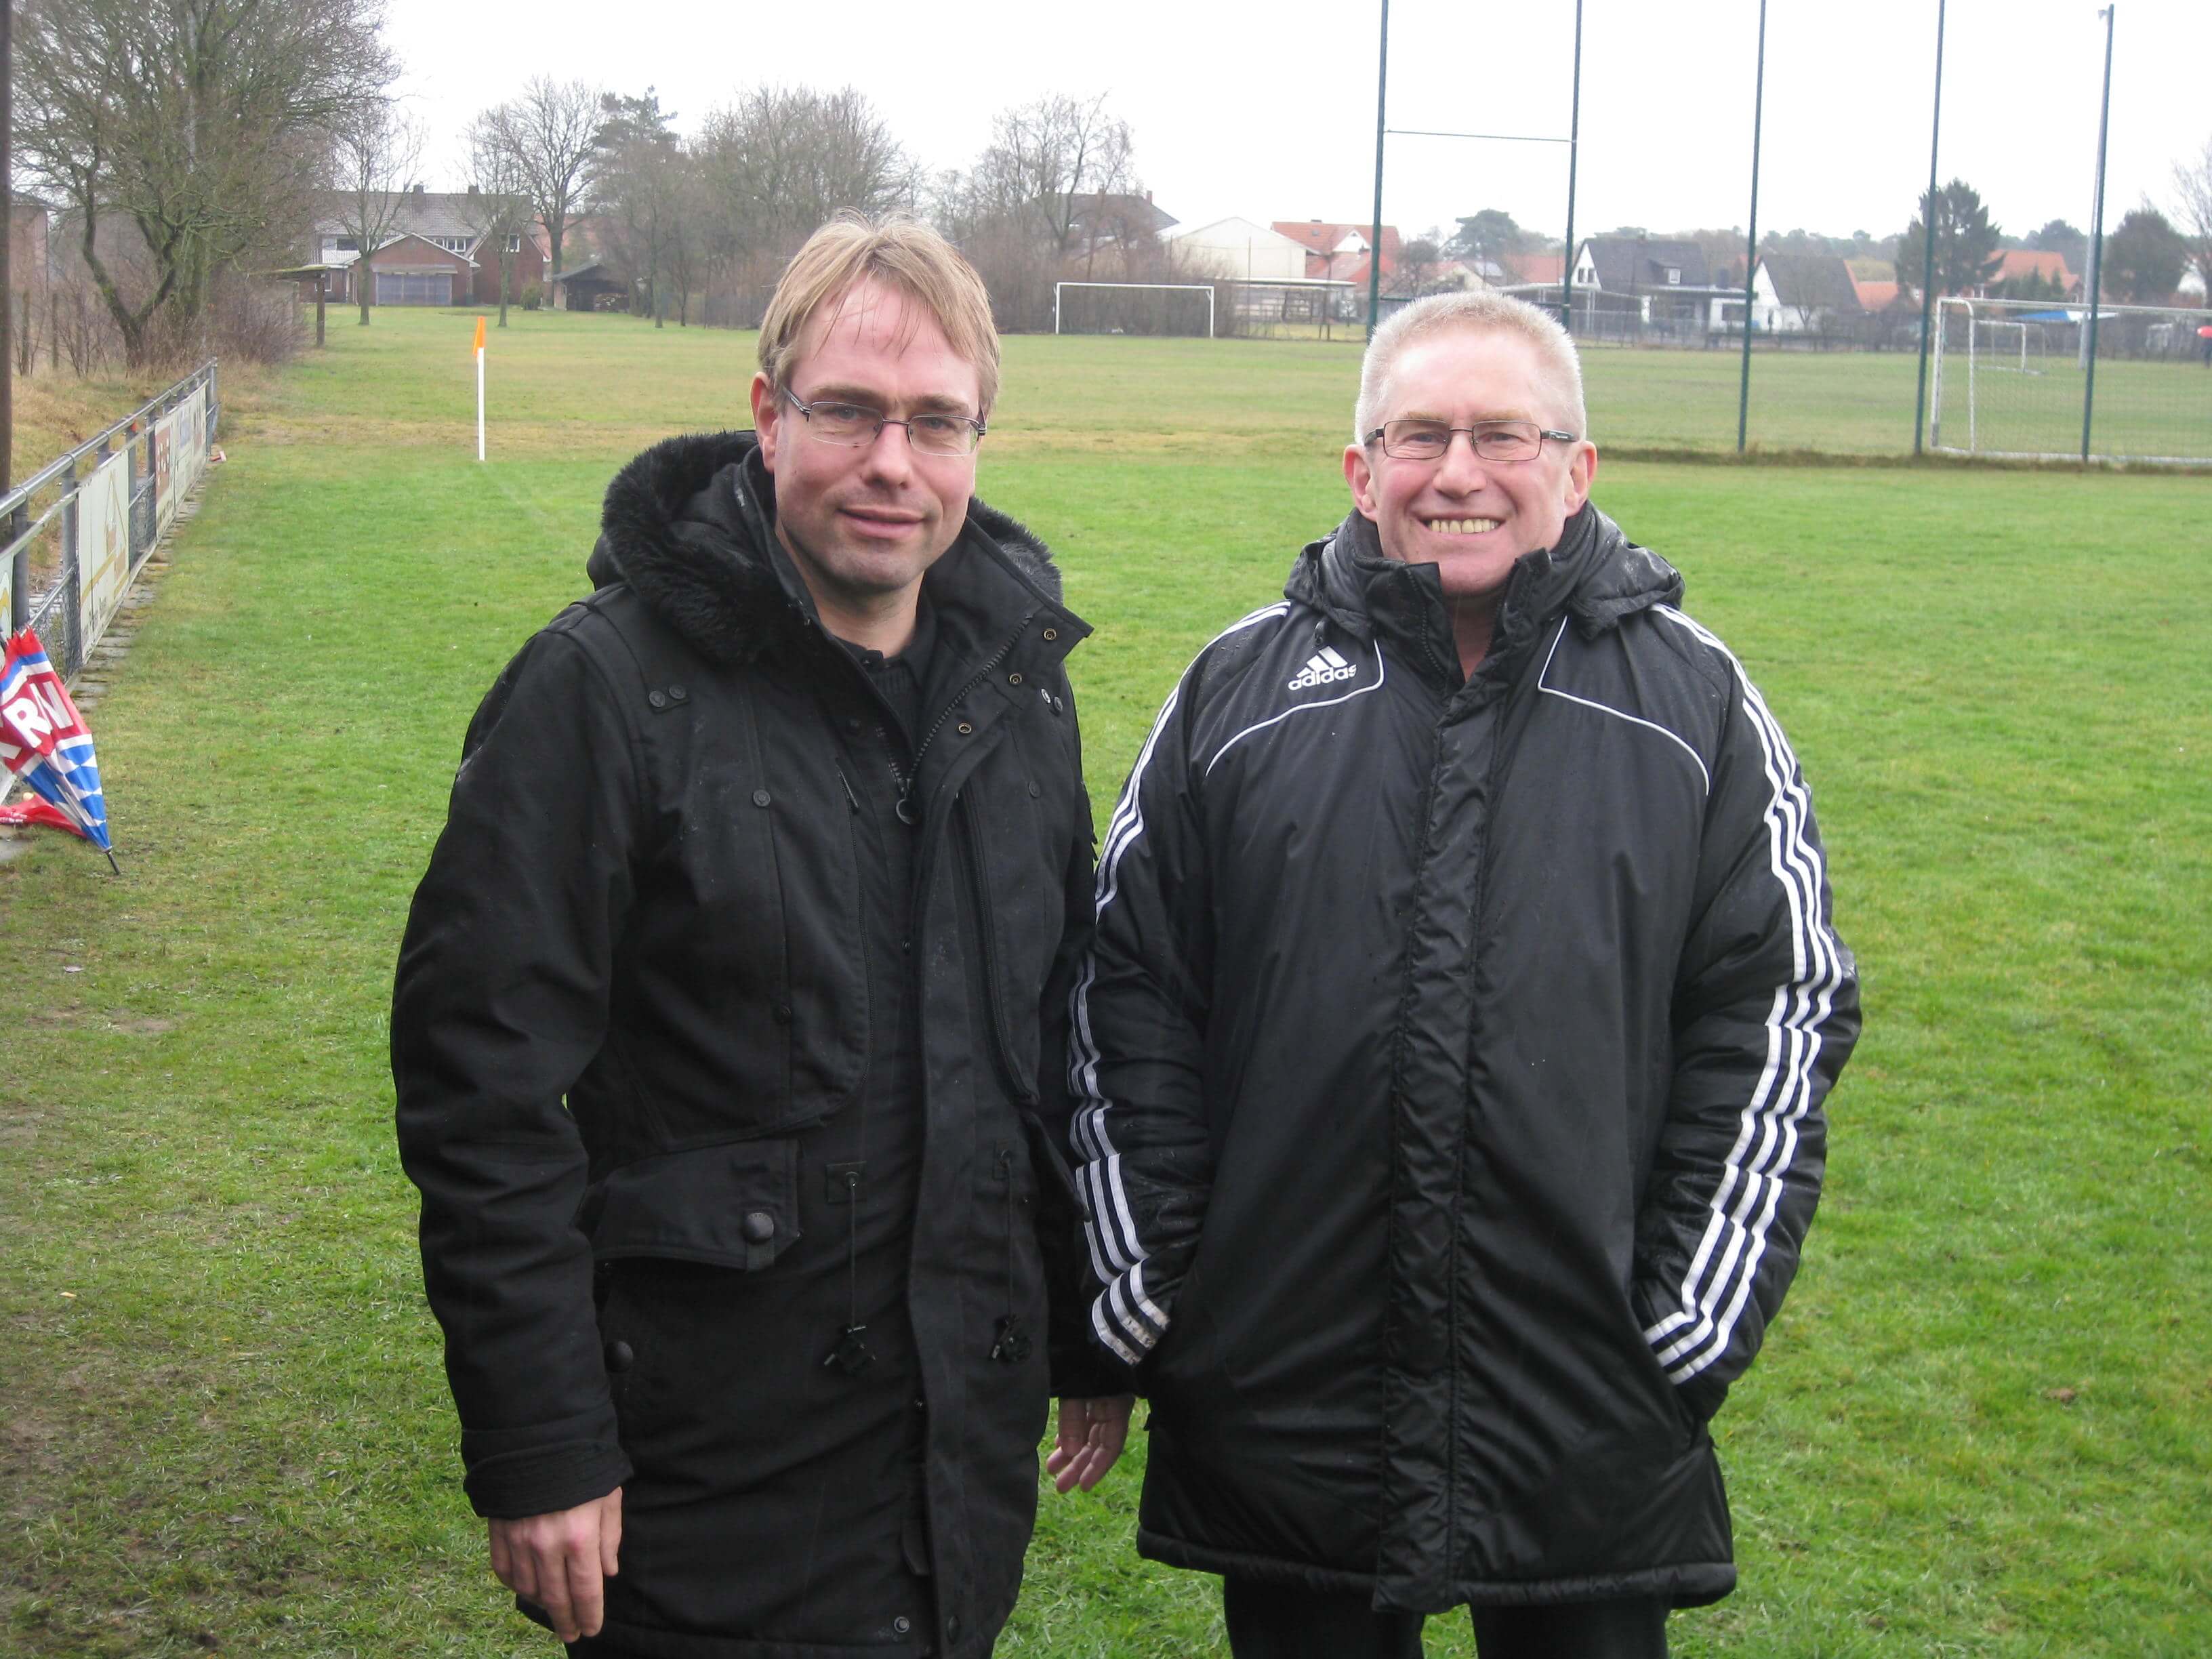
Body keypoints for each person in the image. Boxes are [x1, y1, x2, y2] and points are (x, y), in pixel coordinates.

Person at [1067, 289, 1859, 1659]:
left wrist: (1684, 1325)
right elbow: (1123, 988)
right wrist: (1173, 1283)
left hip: (1585, 1407)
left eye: (1504, 434)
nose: (1459, 474)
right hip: (1287, 1401)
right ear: (1362, 471)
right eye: (1419, 436)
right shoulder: (1236, 698)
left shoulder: (1697, 709)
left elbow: (1778, 1008)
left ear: (1577, 467)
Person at [393, 213, 1131, 1659]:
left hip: (952, 1458)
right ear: (767, 413)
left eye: (938, 422)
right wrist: (542, 1438)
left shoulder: (1019, 697)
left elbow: (1048, 1033)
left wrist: (1080, 1322)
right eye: (849, 412)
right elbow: (480, 1086)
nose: (892, 466)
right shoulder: (600, 696)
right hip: (706, 1465)